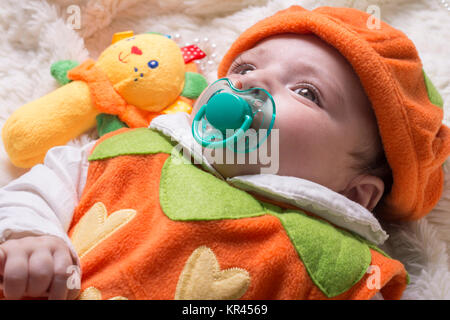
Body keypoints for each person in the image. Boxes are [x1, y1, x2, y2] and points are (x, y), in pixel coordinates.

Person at [0, 5, 448, 300]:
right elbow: (42, 186)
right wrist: (30, 237)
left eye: (307, 91)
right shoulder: (132, 150)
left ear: (356, 195)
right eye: (245, 67)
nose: (251, 82)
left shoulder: (342, 268)